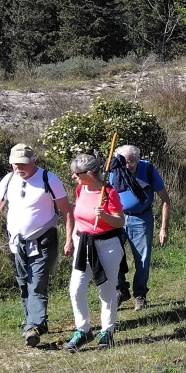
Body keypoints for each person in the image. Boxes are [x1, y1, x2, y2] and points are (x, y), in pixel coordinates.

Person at [0, 143, 70, 347]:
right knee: (23, 282)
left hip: (44, 239)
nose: (19, 167)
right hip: (17, 242)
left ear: (34, 161)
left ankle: (34, 326)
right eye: (15, 164)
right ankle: (33, 324)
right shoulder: (8, 180)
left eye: (24, 163)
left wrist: (70, 238)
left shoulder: (49, 179)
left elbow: (66, 210)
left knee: (36, 282)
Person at [63, 151, 126, 352]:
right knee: (76, 290)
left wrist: (105, 215)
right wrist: (73, 238)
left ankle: (107, 331)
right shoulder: (80, 189)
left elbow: (120, 221)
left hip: (107, 246)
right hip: (84, 245)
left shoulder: (109, 192)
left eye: (77, 174)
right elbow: (78, 216)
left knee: (106, 291)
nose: (74, 176)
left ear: (89, 174)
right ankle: (83, 330)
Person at [108, 143, 170, 311]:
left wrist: (163, 228)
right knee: (112, 255)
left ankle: (140, 295)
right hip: (118, 219)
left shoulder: (147, 169)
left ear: (138, 158)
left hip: (142, 219)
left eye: (132, 161)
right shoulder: (115, 170)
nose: (128, 165)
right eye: (125, 161)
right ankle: (121, 289)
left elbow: (165, 200)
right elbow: (107, 195)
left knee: (142, 259)